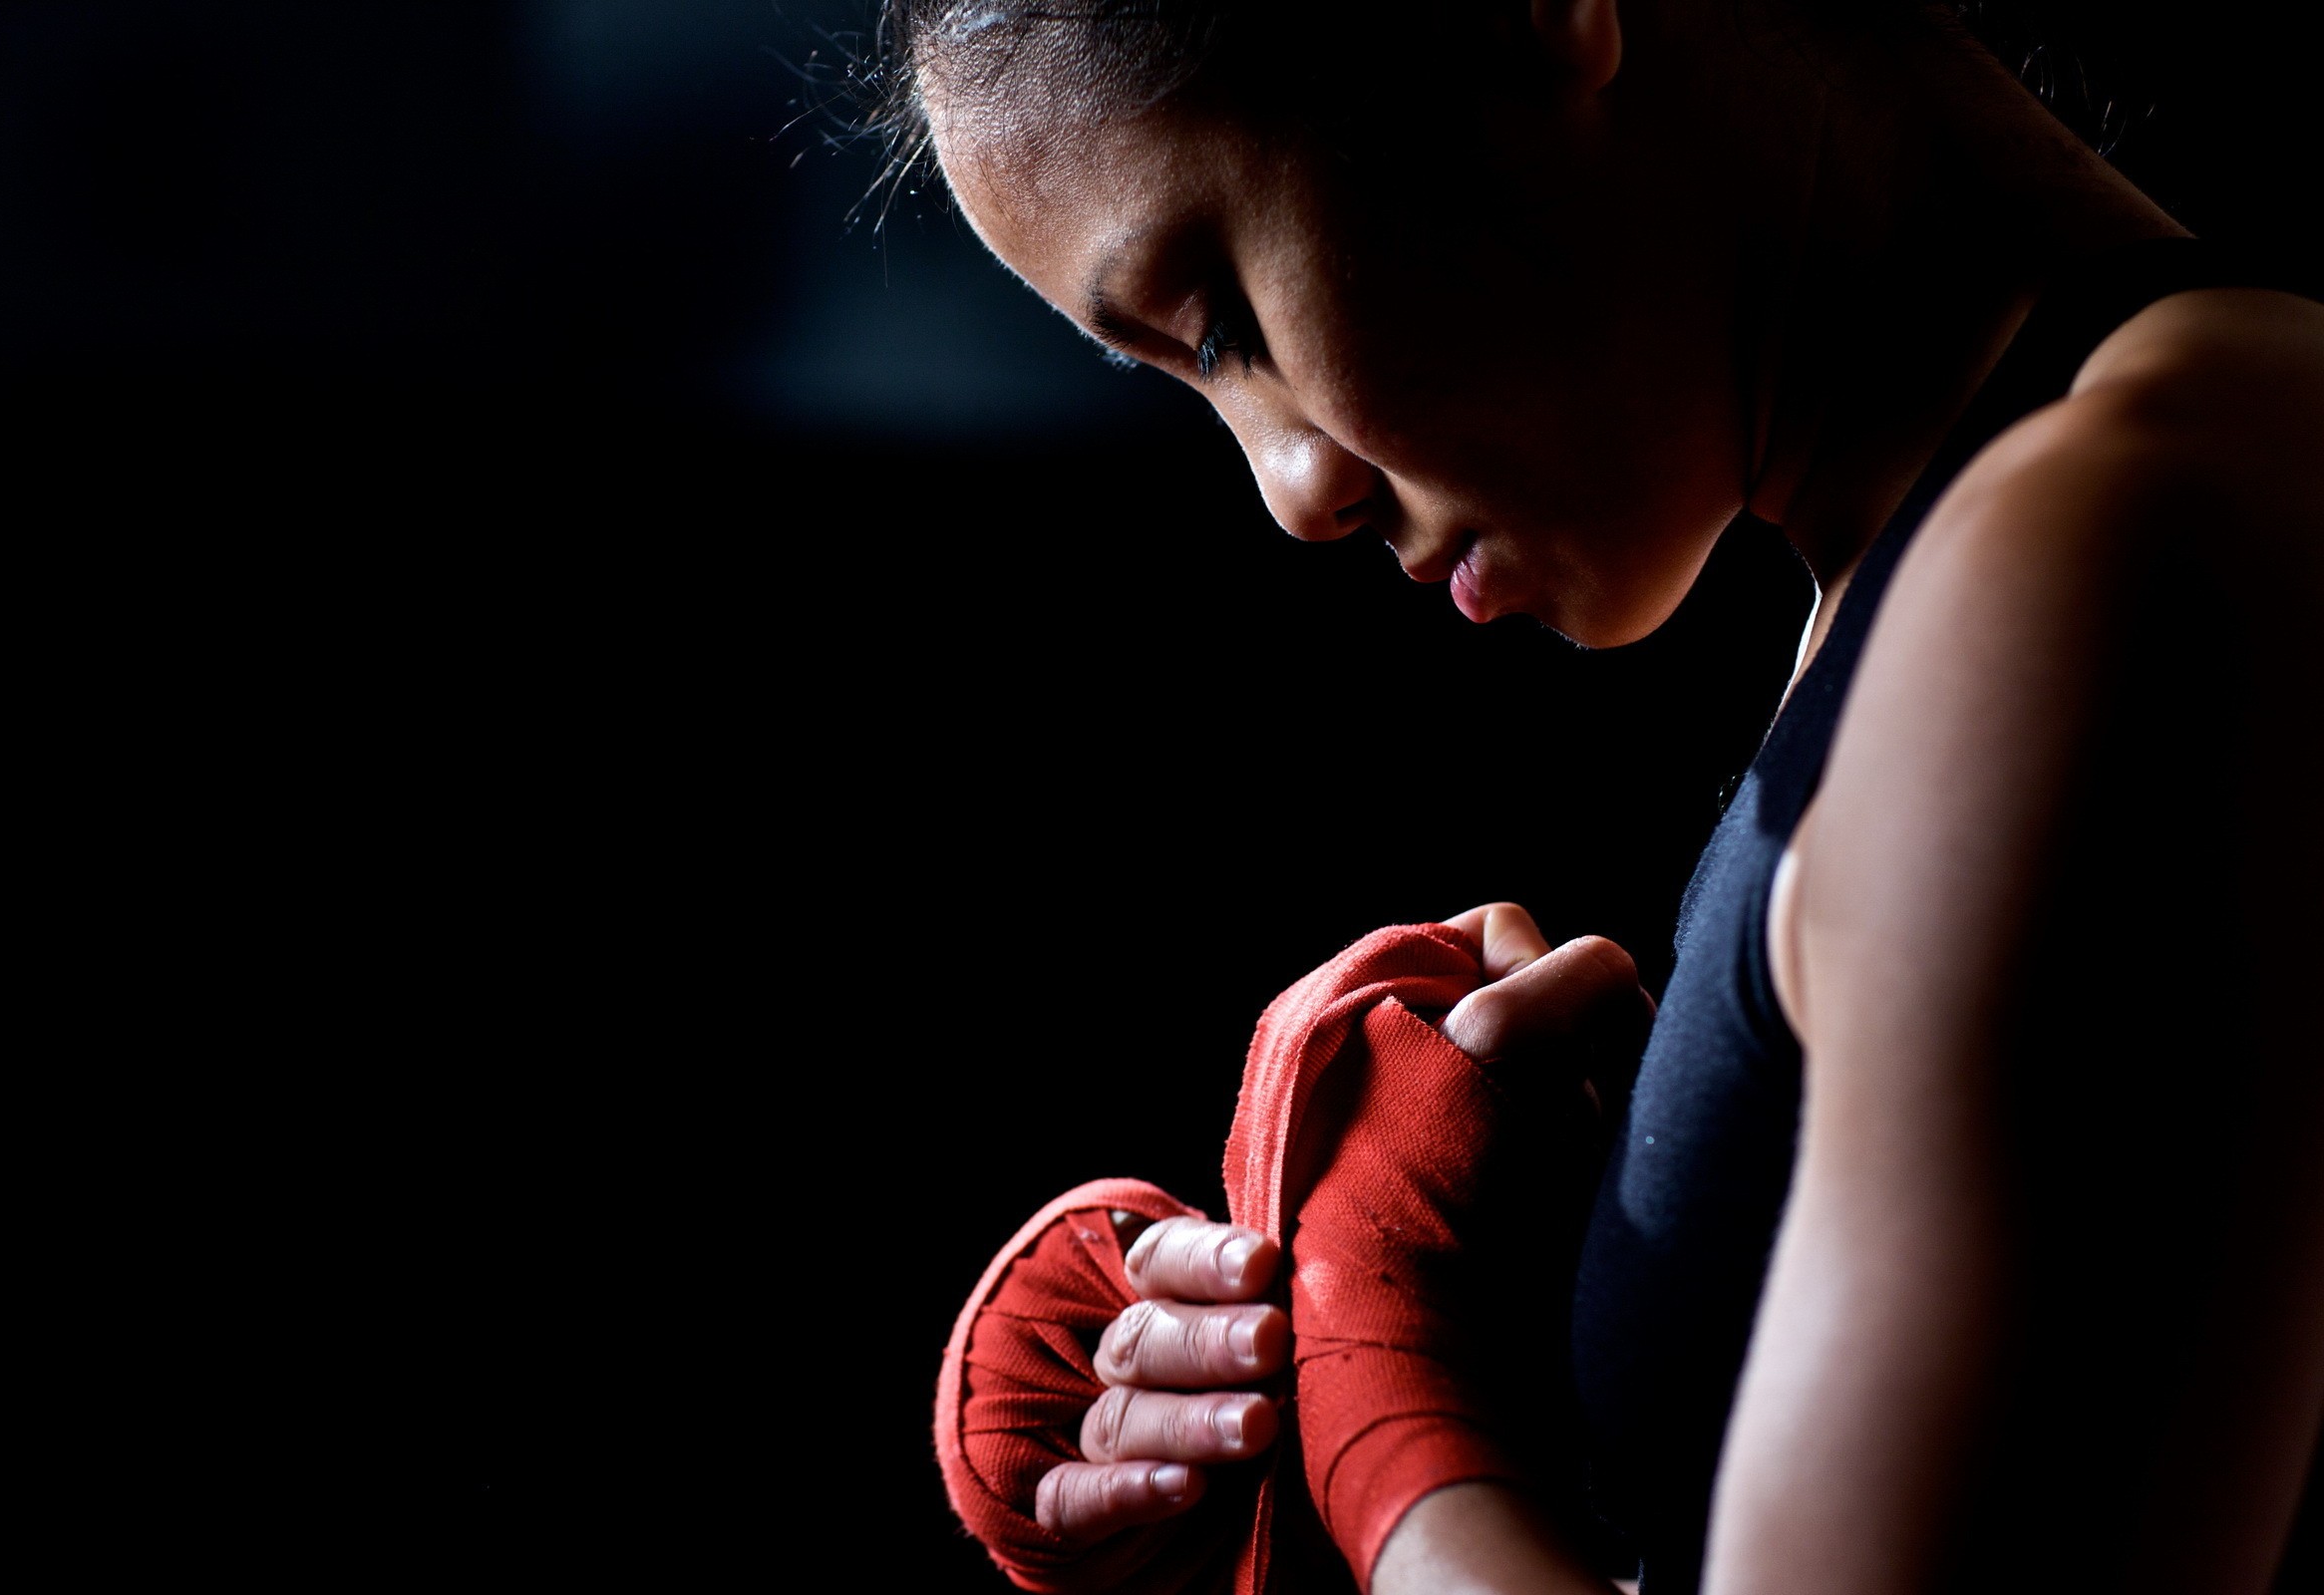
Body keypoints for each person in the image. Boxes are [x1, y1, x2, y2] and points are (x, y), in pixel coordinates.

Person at [890, 1, 2324, 1590]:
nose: (1294, 494)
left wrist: (1385, 1403)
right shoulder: (1974, 567)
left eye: (1222, 318)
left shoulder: (2106, 557)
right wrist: (1412, 1336)